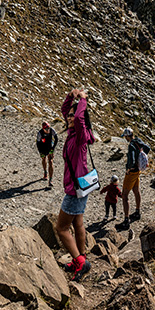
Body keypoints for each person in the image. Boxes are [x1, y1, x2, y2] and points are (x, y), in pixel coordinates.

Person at [57, 88, 96, 277]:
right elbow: (67, 112)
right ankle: (81, 258)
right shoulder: (75, 133)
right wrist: (70, 97)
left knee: (61, 228)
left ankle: (80, 263)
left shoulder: (80, 135)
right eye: (69, 116)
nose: (69, 118)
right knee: (78, 224)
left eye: (73, 116)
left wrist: (82, 100)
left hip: (74, 189)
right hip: (81, 187)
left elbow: (79, 118)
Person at [120, 128, 151, 220]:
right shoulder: (139, 141)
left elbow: (132, 159)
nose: (125, 138)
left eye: (125, 136)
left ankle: (126, 220)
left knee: (124, 195)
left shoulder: (131, 145)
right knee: (136, 190)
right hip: (138, 171)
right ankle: (137, 212)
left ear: (127, 136)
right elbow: (148, 148)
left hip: (132, 172)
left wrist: (129, 168)